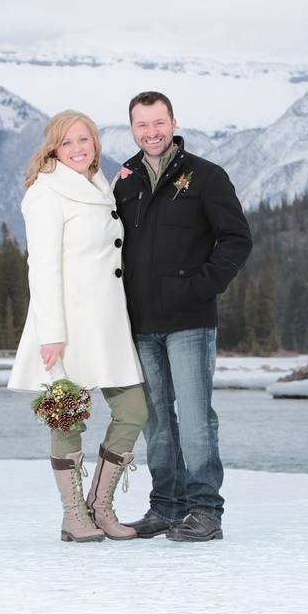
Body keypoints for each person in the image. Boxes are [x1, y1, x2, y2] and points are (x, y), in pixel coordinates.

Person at [114, 91, 252, 542]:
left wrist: (202, 285)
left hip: (190, 321)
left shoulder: (206, 177)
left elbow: (236, 238)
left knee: (195, 419)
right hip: (140, 323)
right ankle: (167, 507)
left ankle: (205, 511)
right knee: (156, 422)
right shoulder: (125, 183)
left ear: (173, 122)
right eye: (142, 125)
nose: (151, 132)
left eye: (158, 122)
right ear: (131, 128)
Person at [8, 110, 148, 543]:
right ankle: (73, 515)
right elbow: (42, 267)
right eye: (67, 142)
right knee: (66, 419)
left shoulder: (100, 184)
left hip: (108, 323)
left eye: (84, 139)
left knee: (133, 410)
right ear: (53, 147)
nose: (77, 148)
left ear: (95, 144)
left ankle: (98, 507)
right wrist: (51, 332)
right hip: (65, 326)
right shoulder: (45, 193)